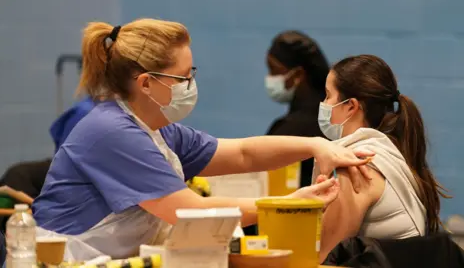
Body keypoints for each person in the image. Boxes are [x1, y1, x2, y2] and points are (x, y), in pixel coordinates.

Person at [31, 19, 372, 260]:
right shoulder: (112, 132)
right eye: (182, 77)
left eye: (191, 73)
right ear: (146, 83)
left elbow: (243, 154)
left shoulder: (158, 129)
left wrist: (316, 145)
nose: (190, 84)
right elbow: (190, 212)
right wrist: (289, 204)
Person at [315, 54, 450, 262]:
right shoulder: (390, 153)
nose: (323, 103)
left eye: (327, 95)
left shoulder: (357, 164)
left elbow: (325, 259)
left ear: (351, 106)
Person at [265, 31, 330, 187]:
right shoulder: (333, 120)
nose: (270, 78)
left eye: (274, 70)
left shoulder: (288, 130)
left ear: (298, 74)